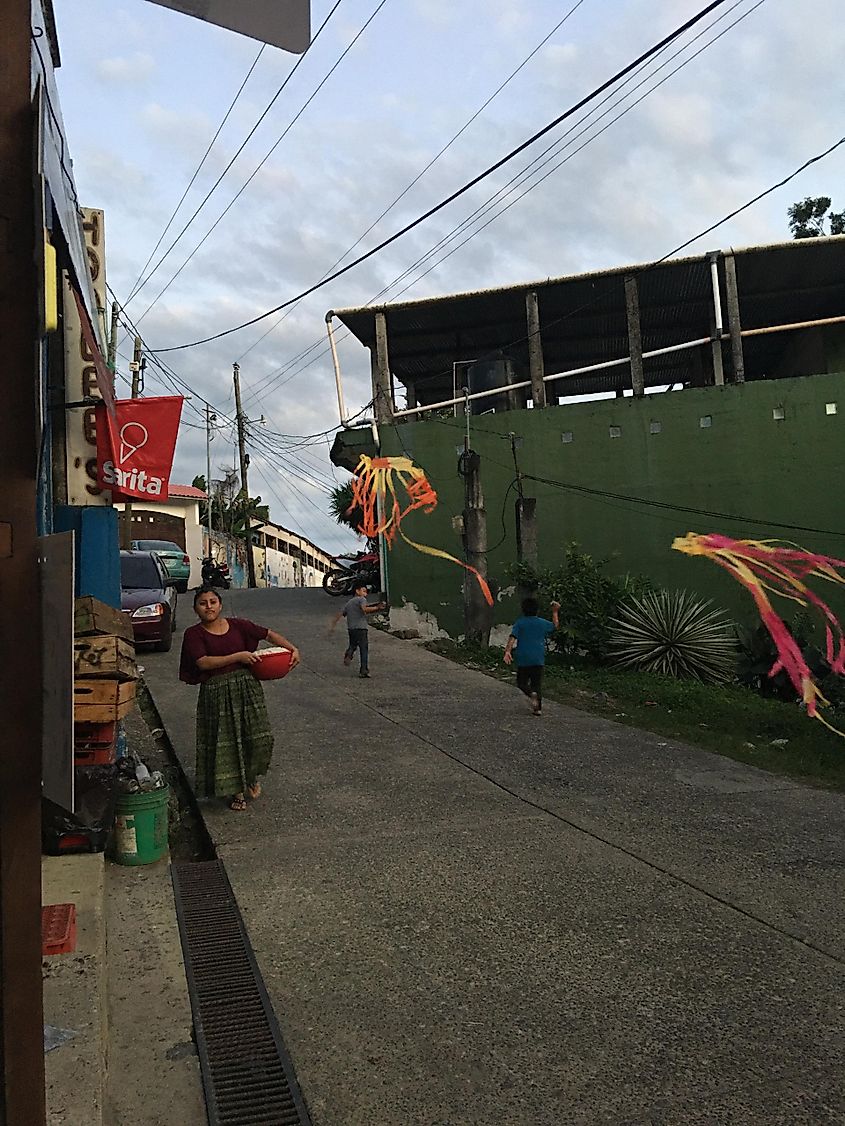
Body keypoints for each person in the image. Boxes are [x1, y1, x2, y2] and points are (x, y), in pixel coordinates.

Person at [179, 587, 300, 811]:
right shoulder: (193, 634)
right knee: (227, 743)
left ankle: (250, 776)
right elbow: (203, 663)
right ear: (195, 608)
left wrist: (292, 649)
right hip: (216, 692)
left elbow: (268, 634)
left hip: (247, 688)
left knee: (258, 736)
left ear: (220, 604)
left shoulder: (238, 625)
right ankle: (236, 791)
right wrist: (239, 656)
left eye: (213, 601)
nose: (209, 606)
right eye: (202, 603)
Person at [503, 597, 561, 715]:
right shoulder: (541, 623)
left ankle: (530, 694)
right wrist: (555, 611)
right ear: (537, 610)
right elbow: (555, 626)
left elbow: (512, 637)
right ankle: (538, 708)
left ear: (523, 609)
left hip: (523, 658)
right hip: (538, 658)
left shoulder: (520, 623)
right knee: (537, 684)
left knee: (521, 682)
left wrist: (507, 651)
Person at [330, 582, 386, 678]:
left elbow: (340, 614)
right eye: (363, 591)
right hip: (361, 628)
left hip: (351, 629)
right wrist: (377, 608)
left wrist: (332, 626)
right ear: (357, 591)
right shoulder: (362, 599)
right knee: (364, 649)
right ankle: (363, 670)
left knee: (352, 644)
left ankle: (349, 653)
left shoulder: (349, 603)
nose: (366, 593)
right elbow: (364, 609)